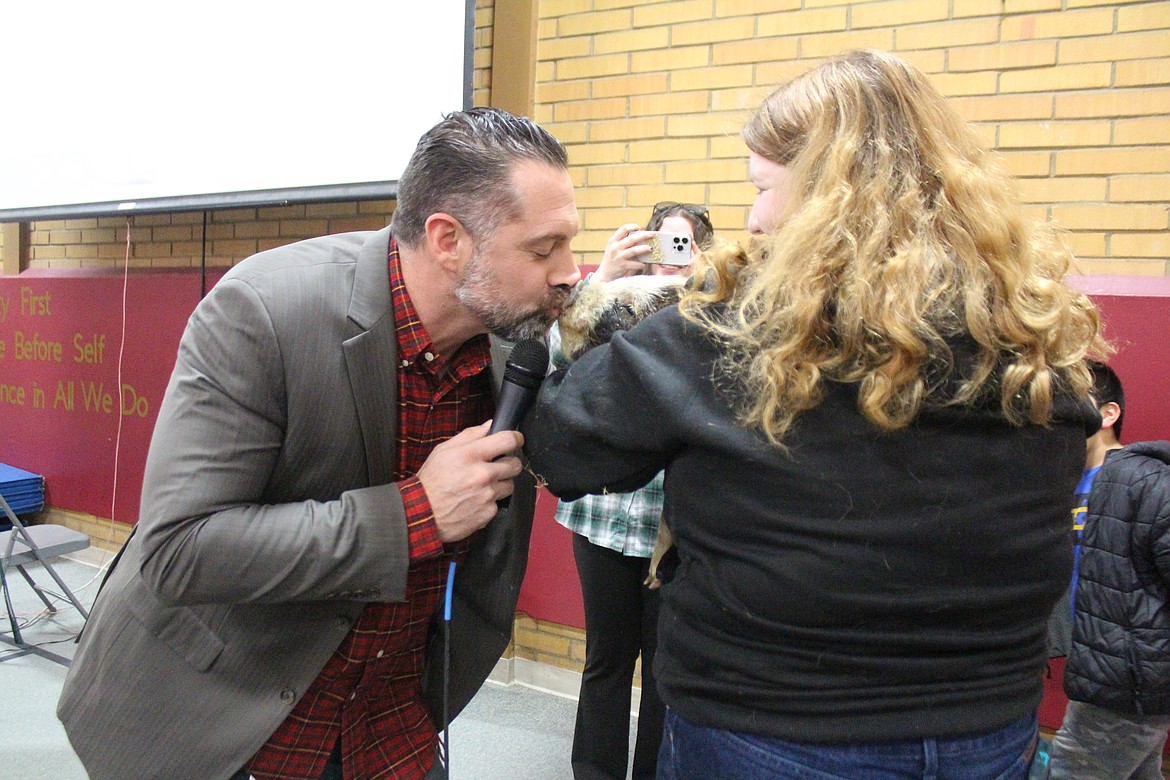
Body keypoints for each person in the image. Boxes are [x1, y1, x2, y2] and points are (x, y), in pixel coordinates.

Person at [523, 49, 1107, 780]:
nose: (755, 215)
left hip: (772, 729)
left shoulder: (730, 338)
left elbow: (564, 447)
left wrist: (604, 314)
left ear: (827, 193)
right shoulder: (1031, 338)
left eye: (763, 186)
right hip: (988, 730)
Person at [57, 107, 581, 780]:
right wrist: (414, 513)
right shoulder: (267, 309)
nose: (569, 272)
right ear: (448, 240)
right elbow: (179, 551)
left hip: (395, 726)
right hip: (236, 726)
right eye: (543, 250)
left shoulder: (517, 333)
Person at [550, 202, 713, 780]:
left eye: (684, 243)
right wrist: (603, 281)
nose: (672, 254)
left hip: (677, 532)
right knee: (606, 660)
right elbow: (554, 362)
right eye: (662, 241)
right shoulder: (612, 302)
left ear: (703, 250)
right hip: (605, 519)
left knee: (665, 671)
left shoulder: (716, 310)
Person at [1050, 364, 1170, 779]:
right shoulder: (1062, 483)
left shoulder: (1144, 480)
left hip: (1128, 684)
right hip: (1108, 674)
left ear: (1107, 414)